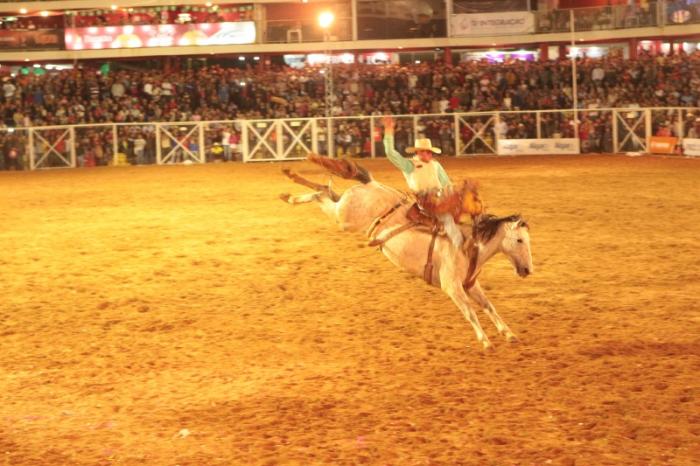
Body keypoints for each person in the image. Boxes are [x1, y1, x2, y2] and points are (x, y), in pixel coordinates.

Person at [382, 116, 463, 249]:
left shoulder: (435, 165)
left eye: (429, 152)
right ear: (418, 152)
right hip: (424, 201)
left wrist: (455, 195)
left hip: (440, 197)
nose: (428, 154)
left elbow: (446, 183)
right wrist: (389, 131)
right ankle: (459, 246)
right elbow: (391, 153)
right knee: (447, 218)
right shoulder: (410, 165)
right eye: (424, 151)